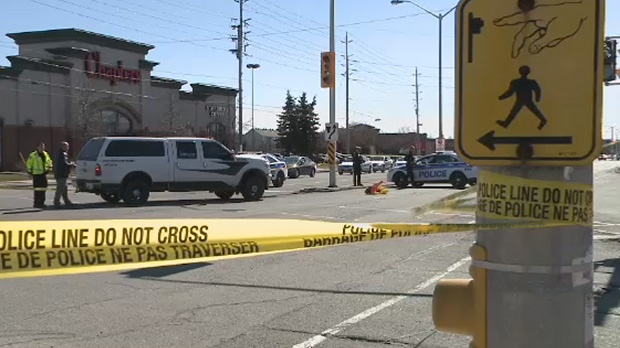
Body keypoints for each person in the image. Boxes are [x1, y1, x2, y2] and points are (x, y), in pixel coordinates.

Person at [26, 142, 53, 208]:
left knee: (44, 188)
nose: (42, 148)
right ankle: (36, 203)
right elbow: (29, 164)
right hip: (36, 175)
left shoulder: (45, 154)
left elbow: (49, 162)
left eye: (43, 147)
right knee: (37, 190)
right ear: (37, 147)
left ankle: (42, 202)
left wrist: (49, 168)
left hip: (43, 174)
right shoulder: (33, 155)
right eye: (41, 147)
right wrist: (29, 172)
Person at [53, 141, 76, 208]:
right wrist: (71, 165)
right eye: (66, 146)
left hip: (61, 174)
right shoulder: (62, 154)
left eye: (68, 146)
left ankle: (67, 201)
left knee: (64, 189)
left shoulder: (60, 153)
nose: (68, 148)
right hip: (61, 174)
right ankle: (56, 202)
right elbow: (64, 164)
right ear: (62, 147)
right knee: (60, 189)